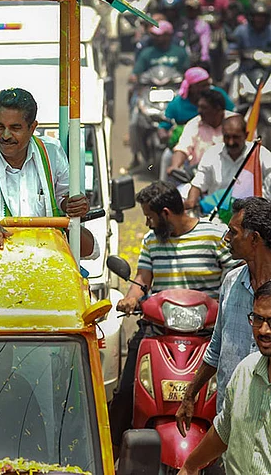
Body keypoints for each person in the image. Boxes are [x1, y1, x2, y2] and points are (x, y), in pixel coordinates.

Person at [110, 182, 239, 453]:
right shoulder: (151, 241)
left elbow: (235, 278)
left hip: (207, 334)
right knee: (124, 393)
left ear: (166, 213)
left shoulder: (214, 236)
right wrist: (131, 298)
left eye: (149, 216)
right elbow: (142, 279)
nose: (146, 223)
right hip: (159, 331)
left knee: (233, 389)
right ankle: (113, 453)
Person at [0, 88, 92, 254]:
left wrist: (74, 205)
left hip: (46, 259)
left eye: (15, 128)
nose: (5, 135)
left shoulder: (52, 152)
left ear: (32, 127)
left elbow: (64, 198)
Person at [176, 198, 271, 432]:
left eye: (233, 232)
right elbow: (217, 347)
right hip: (230, 414)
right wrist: (190, 395)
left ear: (255, 238)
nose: (226, 239)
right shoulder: (230, 282)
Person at [178, 281, 271, 475]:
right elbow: (225, 429)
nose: (263, 331)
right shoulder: (245, 371)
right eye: (258, 319)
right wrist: (191, 465)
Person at [185, 115, 271, 210]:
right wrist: (191, 203)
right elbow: (198, 183)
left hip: (251, 216)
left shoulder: (260, 155)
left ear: (246, 135)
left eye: (235, 137)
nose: (231, 142)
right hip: (217, 216)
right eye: (227, 137)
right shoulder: (212, 154)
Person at [168, 88, 239, 175]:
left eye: (204, 108)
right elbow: (183, 148)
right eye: (199, 107)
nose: (199, 111)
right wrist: (175, 166)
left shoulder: (235, 123)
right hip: (199, 176)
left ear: (217, 109)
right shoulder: (194, 124)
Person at [178, 0, 212, 68]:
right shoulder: (181, 23)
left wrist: (204, 57)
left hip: (197, 57)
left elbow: (205, 42)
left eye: (193, 9)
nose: (191, 11)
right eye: (188, 9)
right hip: (182, 57)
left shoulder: (203, 25)